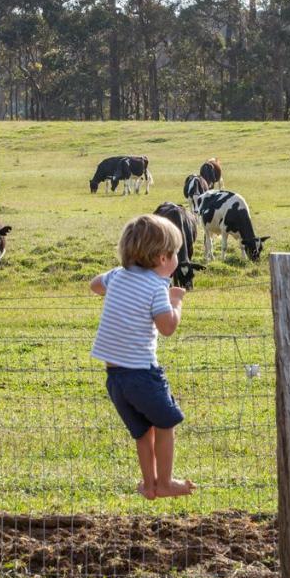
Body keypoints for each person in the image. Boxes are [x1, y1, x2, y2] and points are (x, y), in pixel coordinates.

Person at [90, 214, 195, 500]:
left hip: (115, 379)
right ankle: (165, 482)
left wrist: (119, 286)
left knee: (142, 432)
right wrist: (176, 302)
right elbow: (167, 327)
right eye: (174, 254)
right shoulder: (157, 288)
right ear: (163, 258)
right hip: (142, 374)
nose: (176, 260)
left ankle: (149, 484)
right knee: (165, 423)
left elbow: (94, 285)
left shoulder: (116, 276)